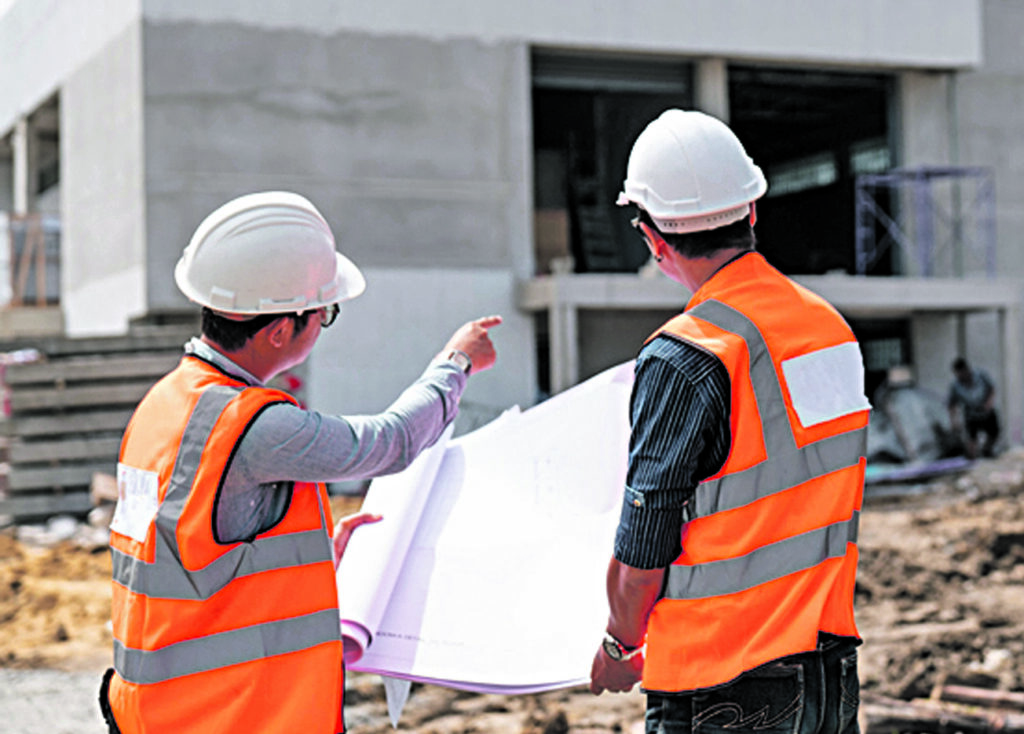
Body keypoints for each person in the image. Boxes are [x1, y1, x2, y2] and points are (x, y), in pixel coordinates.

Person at [98, 191, 501, 734]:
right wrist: (456, 362)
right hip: (233, 717)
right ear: (280, 330)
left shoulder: (166, 404)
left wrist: (308, 559)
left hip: (159, 712)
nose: (323, 325)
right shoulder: (255, 425)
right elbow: (390, 442)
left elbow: (186, 554)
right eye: (324, 313)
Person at [589, 110, 871, 734]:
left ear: (653, 240)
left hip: (719, 681)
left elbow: (643, 552)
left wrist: (617, 647)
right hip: (828, 672)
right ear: (751, 213)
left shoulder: (686, 355)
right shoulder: (831, 331)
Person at [948, 356, 1000, 458]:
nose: (961, 376)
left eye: (962, 373)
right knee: (972, 438)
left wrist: (989, 402)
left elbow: (992, 388)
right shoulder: (955, 385)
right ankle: (971, 456)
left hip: (985, 409)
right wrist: (954, 422)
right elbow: (951, 404)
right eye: (958, 374)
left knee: (994, 433)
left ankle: (987, 449)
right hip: (971, 413)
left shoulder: (981, 375)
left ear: (967, 369)